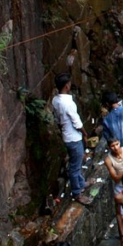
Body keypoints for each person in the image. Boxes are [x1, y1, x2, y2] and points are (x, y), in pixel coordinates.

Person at [51, 73, 92, 205]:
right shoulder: (68, 103)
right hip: (74, 138)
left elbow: (57, 119)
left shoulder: (55, 100)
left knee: (76, 162)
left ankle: (81, 183)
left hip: (66, 136)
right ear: (66, 85)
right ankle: (77, 193)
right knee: (75, 167)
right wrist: (85, 134)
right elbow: (77, 122)